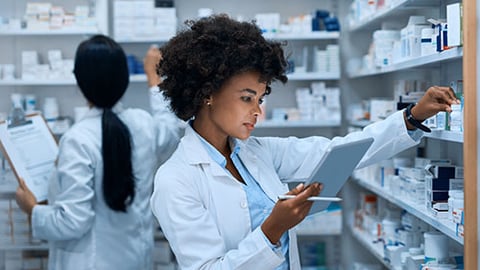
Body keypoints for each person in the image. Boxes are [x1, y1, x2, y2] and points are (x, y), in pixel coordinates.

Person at [149, 15, 459, 270]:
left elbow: (338, 151)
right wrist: (273, 228)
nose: (257, 111)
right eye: (246, 98)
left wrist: (413, 115)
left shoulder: (256, 153)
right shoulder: (175, 180)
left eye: (260, 98)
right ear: (207, 93)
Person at [15, 35, 184, 270]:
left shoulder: (78, 139)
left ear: (79, 81)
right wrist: (153, 79)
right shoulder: (144, 125)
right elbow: (171, 131)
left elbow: (73, 222)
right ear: (123, 79)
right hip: (135, 260)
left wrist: (32, 210)